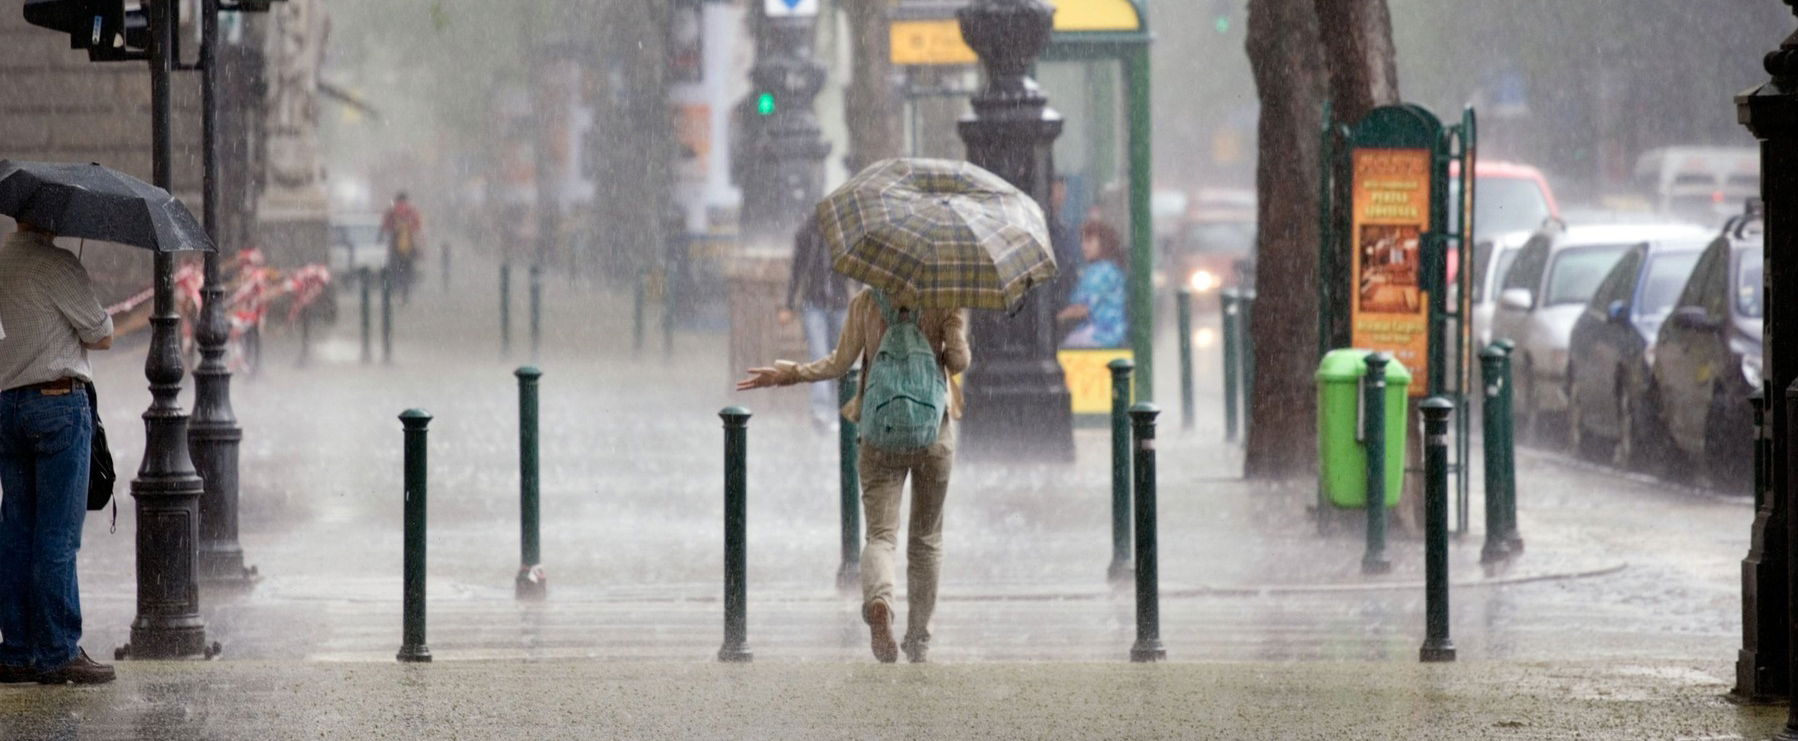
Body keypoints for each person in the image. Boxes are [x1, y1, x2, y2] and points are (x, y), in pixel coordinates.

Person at [736, 287, 969, 663]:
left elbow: (840, 363)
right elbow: (958, 361)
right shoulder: (946, 296)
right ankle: (919, 640)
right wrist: (949, 330)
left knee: (880, 536)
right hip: (933, 434)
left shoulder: (867, 300)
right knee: (926, 540)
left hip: (880, 433)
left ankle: (880, 601)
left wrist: (790, 374)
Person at [0, 219, 116, 685]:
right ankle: (58, 651)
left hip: (7, 407)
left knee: (16, 532)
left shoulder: (3, 262)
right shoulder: (58, 264)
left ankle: (17, 650)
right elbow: (102, 333)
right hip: (56, 405)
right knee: (57, 536)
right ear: (49, 218)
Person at [780, 220, 852, 434]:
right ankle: (821, 411)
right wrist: (790, 304)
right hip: (815, 305)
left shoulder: (846, 235)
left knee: (839, 358)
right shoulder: (807, 233)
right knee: (820, 356)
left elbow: (856, 269)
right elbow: (797, 270)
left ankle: (837, 409)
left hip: (839, 304)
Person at [1057, 220, 1128, 348]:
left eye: (1089, 241)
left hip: (1100, 336)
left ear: (1104, 244)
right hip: (1110, 334)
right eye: (1082, 241)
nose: (1084, 246)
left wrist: (1056, 319)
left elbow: (1082, 309)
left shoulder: (1101, 273)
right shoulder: (1109, 269)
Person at [379, 192, 423, 305]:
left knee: (395, 271)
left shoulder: (391, 212)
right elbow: (417, 228)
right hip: (409, 248)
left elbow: (384, 227)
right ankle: (405, 292)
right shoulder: (412, 212)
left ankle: (395, 292)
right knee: (408, 271)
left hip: (395, 247)